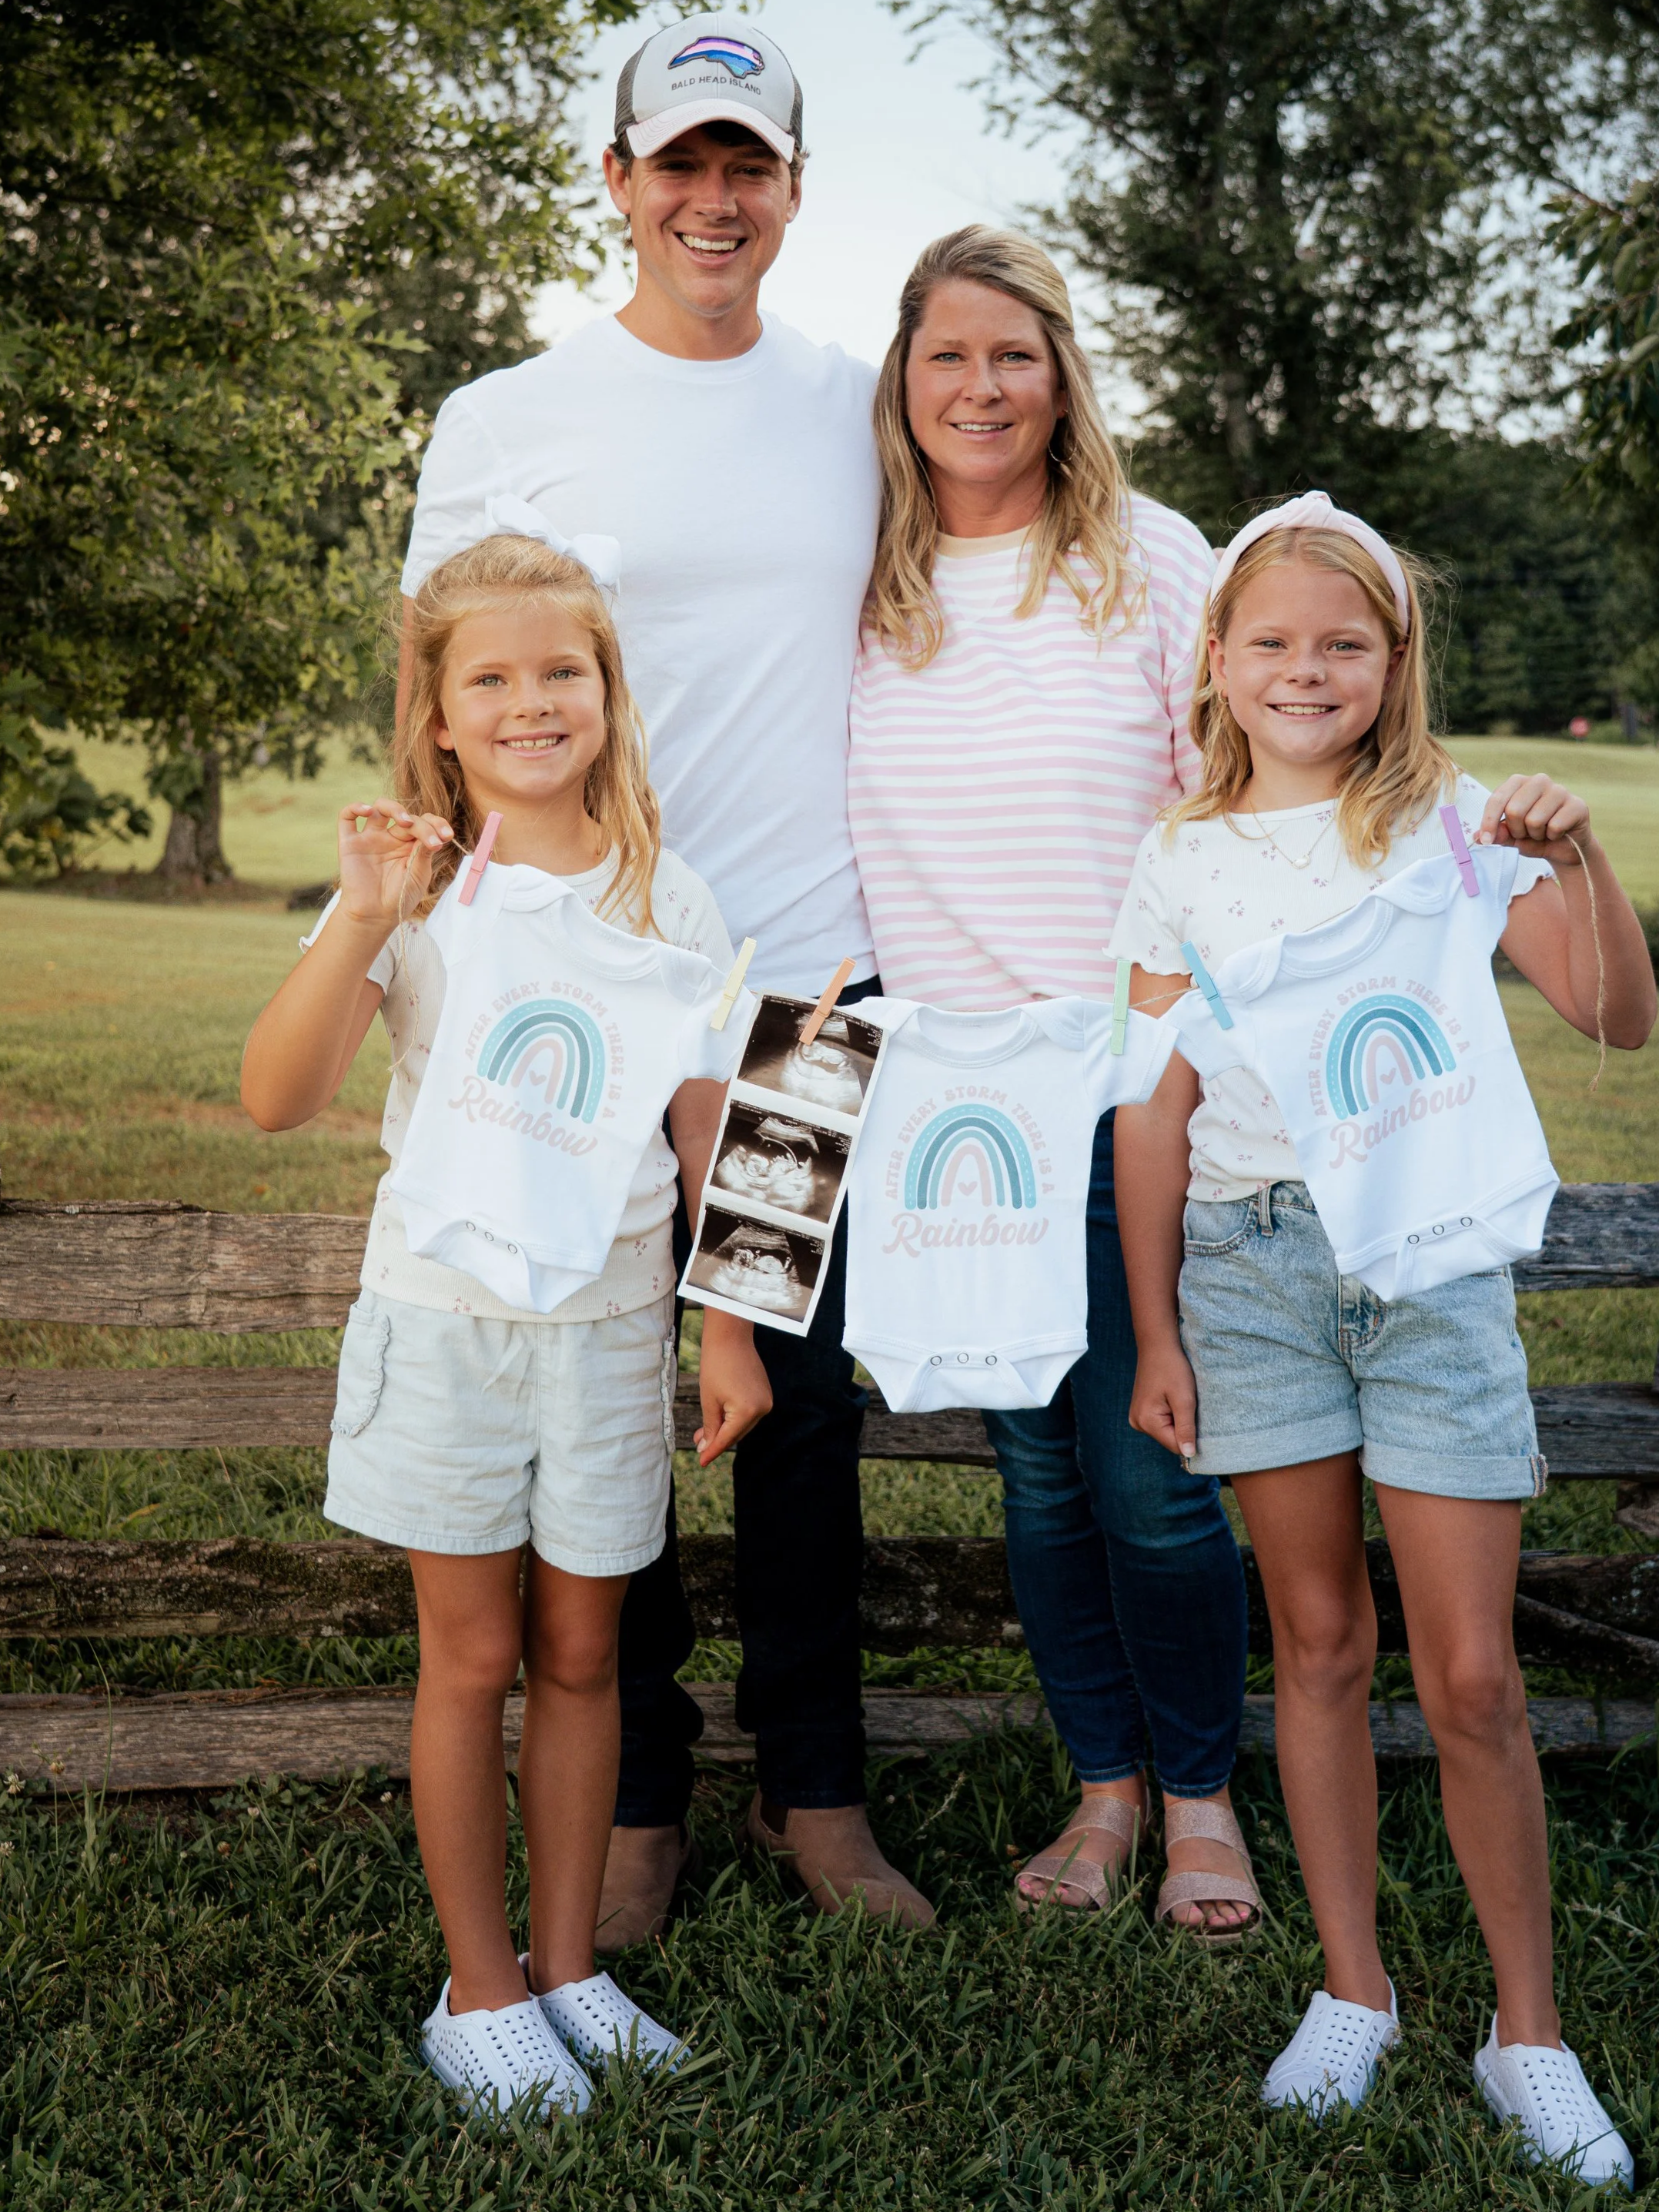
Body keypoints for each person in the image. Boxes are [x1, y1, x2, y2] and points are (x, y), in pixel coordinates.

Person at [397, 14, 934, 1939]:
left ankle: (817, 1796)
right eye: (680, 165)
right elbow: (434, 693)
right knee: (602, 1391)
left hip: (789, 988)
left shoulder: (856, 404)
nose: (715, 200)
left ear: (793, 191)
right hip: (574, 997)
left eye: (751, 167)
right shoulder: (506, 414)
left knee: (788, 1405)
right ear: (617, 185)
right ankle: (630, 1798)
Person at [1112, 492, 1654, 2182]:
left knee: (1474, 1671)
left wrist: (1579, 859)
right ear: (1216, 658)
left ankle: (1529, 2029)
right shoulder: (1181, 854)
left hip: (1428, 1275)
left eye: (1342, 641)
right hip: (1252, 1269)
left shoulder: (1453, 823)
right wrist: (1153, 1334)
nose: (1304, 667)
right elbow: (1151, 1111)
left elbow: (1615, 1017)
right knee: (1322, 1641)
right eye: (1269, 639)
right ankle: (1355, 1986)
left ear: (1394, 659)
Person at [241, 529, 772, 2120]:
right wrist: (360, 912)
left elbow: (713, 1132)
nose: (532, 700)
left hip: (608, 1325)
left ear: (608, 691)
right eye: (494, 676)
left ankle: (567, 1970)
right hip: (448, 1319)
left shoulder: (665, 889)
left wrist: (729, 1328)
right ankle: (476, 1989)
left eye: (564, 670)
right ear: (442, 711)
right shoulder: (417, 880)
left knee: (587, 1650)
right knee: (472, 1656)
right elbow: (276, 1097)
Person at [848, 227, 1256, 1936]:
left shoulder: (1153, 564)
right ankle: (1100, 1787)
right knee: (1033, 1467)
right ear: (905, 379)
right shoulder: (862, 577)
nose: (981, 387)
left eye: (1014, 354)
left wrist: (1184, 1058)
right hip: (948, 1109)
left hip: (1126, 1091)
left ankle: (1202, 1803)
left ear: (1064, 373)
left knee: (1154, 1470)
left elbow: (1224, 815)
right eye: (949, 356)